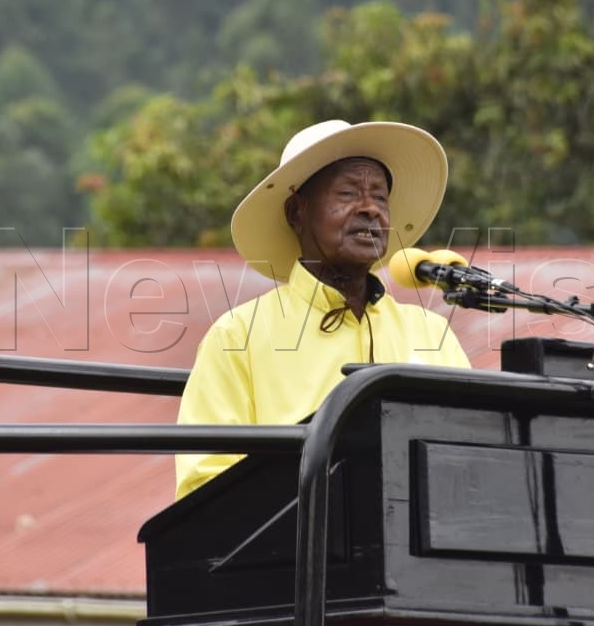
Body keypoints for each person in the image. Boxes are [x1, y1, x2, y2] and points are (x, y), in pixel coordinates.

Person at [175, 119, 471, 498]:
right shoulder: (237, 336)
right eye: (348, 193)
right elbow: (204, 484)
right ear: (296, 212)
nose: (371, 210)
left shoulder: (432, 333)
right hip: (301, 552)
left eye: (380, 197)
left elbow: (472, 452)